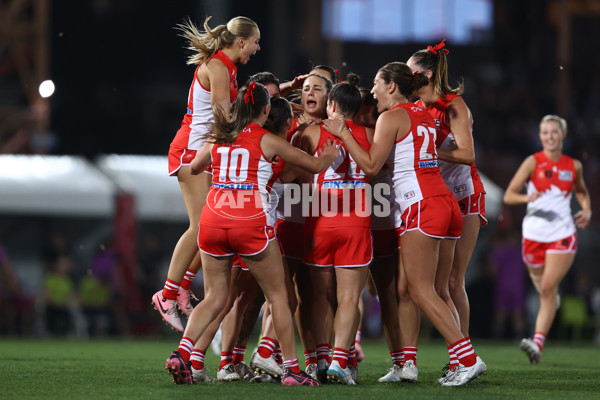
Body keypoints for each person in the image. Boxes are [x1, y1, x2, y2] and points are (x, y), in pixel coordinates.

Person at [323, 61, 486, 386]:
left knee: (420, 290)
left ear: (392, 87)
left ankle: (467, 357)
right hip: (447, 202)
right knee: (437, 288)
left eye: (377, 83)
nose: (372, 91)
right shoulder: (424, 114)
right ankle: (453, 359)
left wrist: (342, 131)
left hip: (421, 202)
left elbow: (370, 166)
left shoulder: (392, 117)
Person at [164, 82, 338, 386]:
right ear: (266, 109)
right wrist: (330, 153)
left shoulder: (220, 135)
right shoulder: (268, 140)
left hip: (214, 218)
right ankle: (292, 371)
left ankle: (182, 352)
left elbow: (193, 169)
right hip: (249, 219)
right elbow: (313, 164)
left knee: (216, 296)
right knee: (279, 297)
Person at [152, 16, 261, 333]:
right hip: (190, 153)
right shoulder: (218, 67)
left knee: (212, 229)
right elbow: (223, 116)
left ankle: (182, 287)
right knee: (201, 225)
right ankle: (167, 294)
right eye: (255, 41)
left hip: (205, 154)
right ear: (241, 41)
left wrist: (274, 94)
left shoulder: (228, 66)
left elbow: (235, 109)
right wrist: (256, 131)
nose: (257, 47)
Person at [407, 40, 487, 379]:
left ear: (425, 73)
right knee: (439, 284)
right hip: (440, 198)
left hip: (464, 194)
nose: (404, 75)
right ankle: (461, 355)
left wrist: (428, 154)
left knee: (453, 282)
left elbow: (468, 155)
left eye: (409, 71)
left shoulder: (453, 105)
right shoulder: (417, 106)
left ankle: (462, 359)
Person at [296, 74, 373, 385]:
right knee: (349, 298)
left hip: (320, 220)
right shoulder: (370, 132)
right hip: (356, 222)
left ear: (331, 104)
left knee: (319, 298)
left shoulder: (312, 132)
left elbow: (296, 174)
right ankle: (340, 362)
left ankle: (319, 359)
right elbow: (381, 169)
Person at [503, 114, 591, 364]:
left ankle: (537, 343)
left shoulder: (574, 166)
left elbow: (582, 192)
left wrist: (586, 210)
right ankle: (553, 302)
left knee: (547, 289)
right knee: (544, 291)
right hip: (533, 235)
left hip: (562, 233)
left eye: (554, 132)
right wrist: (525, 198)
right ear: (540, 136)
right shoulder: (532, 162)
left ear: (563, 135)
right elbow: (509, 195)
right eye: (545, 132)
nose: (550, 136)